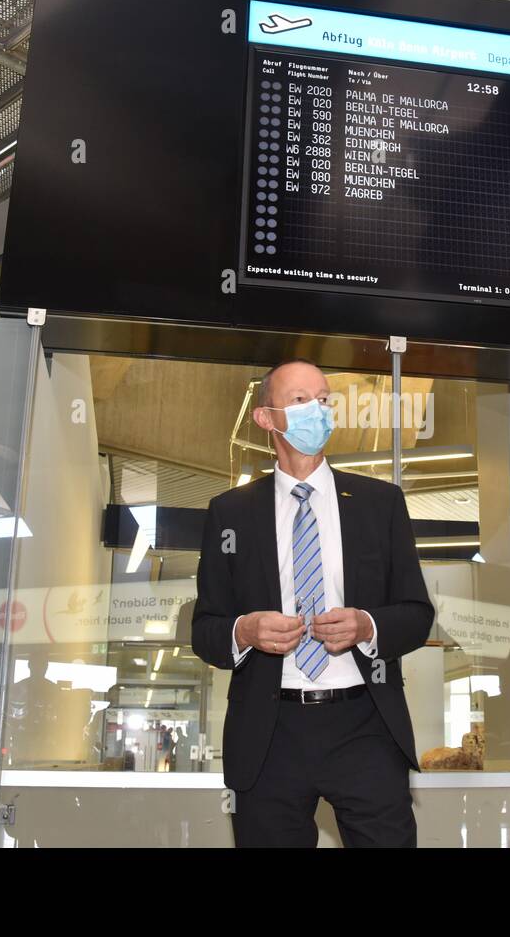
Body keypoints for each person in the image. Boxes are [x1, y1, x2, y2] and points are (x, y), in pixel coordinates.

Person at [192, 358, 434, 846]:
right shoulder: (230, 512)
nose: (317, 411)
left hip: (365, 724)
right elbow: (205, 630)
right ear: (266, 418)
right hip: (269, 731)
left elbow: (416, 614)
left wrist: (366, 626)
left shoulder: (380, 503)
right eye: (301, 401)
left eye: (324, 400)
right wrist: (245, 631)